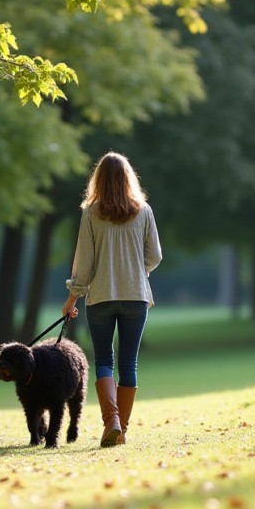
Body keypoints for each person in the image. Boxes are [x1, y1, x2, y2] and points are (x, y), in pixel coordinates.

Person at [62, 150, 162, 447]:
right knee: (129, 363)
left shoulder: (91, 213)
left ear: (99, 180)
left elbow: (85, 261)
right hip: (136, 297)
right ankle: (121, 430)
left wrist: (72, 298)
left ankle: (112, 423)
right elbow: (155, 256)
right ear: (128, 178)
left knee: (105, 359)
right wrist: (137, 272)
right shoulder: (144, 211)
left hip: (101, 297)